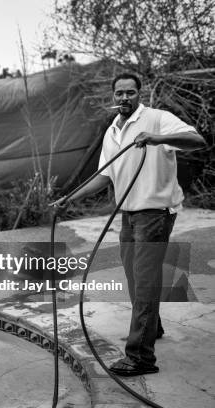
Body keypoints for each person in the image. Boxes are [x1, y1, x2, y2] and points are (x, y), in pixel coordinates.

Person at [51, 72, 205, 376]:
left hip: (156, 213)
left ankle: (140, 357)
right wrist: (69, 198)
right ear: (113, 96)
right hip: (129, 214)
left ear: (139, 93)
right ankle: (153, 326)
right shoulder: (113, 131)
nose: (124, 98)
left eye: (130, 92)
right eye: (119, 93)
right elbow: (104, 176)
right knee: (135, 277)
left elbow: (195, 140)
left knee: (145, 280)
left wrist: (157, 138)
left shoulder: (158, 119)